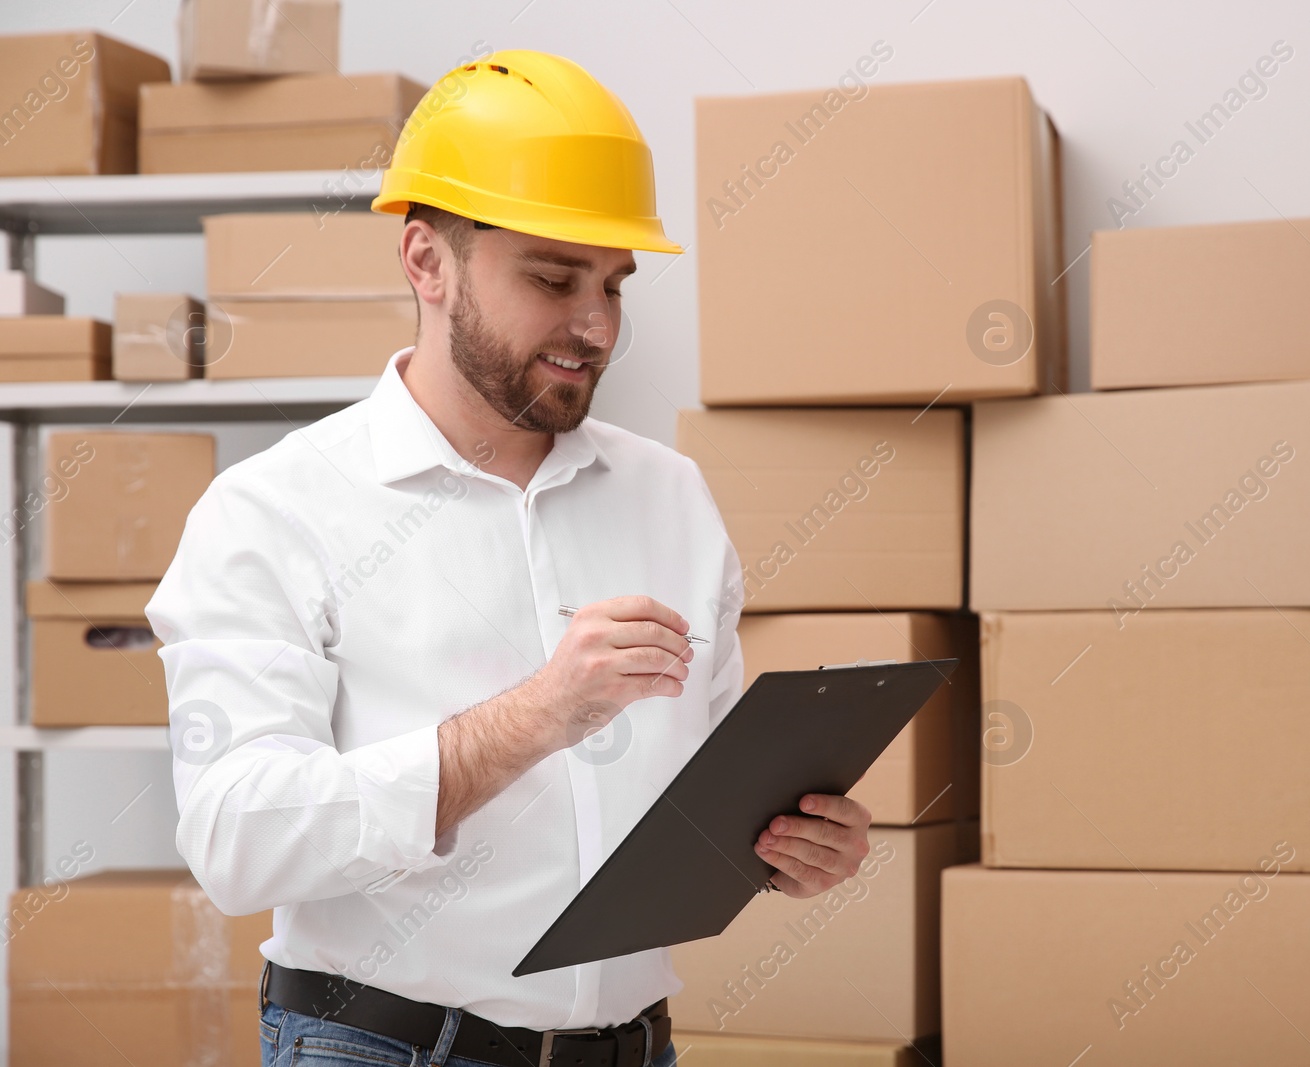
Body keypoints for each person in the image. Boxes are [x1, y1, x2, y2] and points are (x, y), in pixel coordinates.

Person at [146, 50, 873, 1067]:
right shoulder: (273, 511)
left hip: (632, 1047)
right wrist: (532, 717)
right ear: (426, 262)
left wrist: (781, 848)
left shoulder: (669, 495)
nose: (597, 325)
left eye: (614, 284)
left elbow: (703, 794)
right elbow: (237, 839)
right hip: (381, 1047)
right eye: (552, 277)